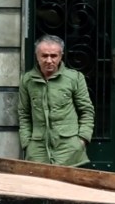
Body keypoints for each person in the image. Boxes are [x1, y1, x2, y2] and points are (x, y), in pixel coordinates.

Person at [18, 34, 94, 166]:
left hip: (69, 149)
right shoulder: (27, 80)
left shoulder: (74, 78)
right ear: (37, 56)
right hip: (37, 150)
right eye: (44, 55)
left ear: (61, 56)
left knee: (68, 186)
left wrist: (82, 140)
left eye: (53, 56)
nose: (49, 60)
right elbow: (23, 113)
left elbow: (87, 111)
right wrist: (27, 143)